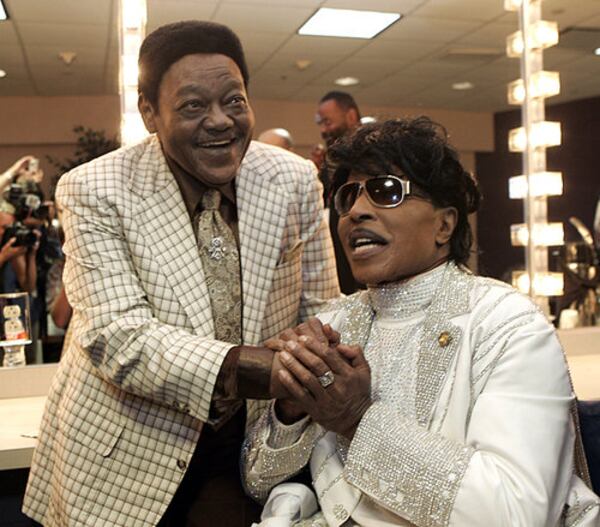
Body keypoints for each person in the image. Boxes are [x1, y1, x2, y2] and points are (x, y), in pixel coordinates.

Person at [22, 20, 339, 527]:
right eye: (193, 105)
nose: (220, 121)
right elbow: (117, 336)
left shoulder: (292, 179)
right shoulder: (95, 189)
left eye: (234, 101)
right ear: (149, 112)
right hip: (122, 454)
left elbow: (321, 309)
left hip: (245, 449)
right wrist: (266, 369)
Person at [242, 117, 600, 526]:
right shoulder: (334, 323)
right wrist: (291, 408)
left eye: (386, 192)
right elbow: (258, 482)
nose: (356, 211)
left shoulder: (507, 324)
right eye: (347, 197)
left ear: (445, 224)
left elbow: (514, 512)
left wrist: (358, 418)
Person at [316, 91, 362, 295]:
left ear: (351, 117)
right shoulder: (331, 162)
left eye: (328, 122)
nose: (324, 130)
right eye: (321, 124)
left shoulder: (373, 157)